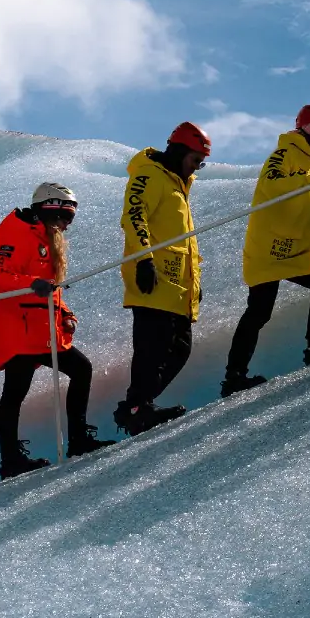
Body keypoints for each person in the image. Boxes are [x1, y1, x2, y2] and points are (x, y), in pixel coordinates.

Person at [222, 105, 310, 396]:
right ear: (309, 129)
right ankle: (234, 377)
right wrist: (308, 181)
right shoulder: (284, 154)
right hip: (267, 251)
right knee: (259, 312)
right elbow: (271, 185)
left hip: (296, 252)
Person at [0, 182, 114, 476]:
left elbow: (51, 289)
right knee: (16, 392)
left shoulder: (44, 236)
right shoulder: (18, 235)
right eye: (64, 217)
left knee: (76, 371)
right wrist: (31, 284)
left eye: (70, 218)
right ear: (49, 210)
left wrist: (65, 313)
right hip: (21, 329)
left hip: (42, 328)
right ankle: (13, 459)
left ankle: (75, 439)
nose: (67, 225)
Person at [115, 122, 208, 436]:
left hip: (176, 283)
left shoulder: (178, 184)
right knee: (151, 348)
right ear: (180, 151)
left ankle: (135, 406)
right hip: (152, 277)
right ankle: (139, 407)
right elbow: (134, 215)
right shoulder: (150, 174)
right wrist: (144, 259)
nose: (197, 167)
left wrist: (194, 283)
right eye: (196, 159)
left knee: (179, 348)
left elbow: (185, 240)